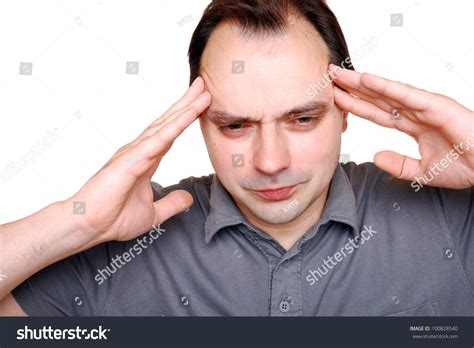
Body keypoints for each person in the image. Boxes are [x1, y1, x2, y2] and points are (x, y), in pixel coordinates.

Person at [0, 0, 472, 316]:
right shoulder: (117, 244)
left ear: (345, 110)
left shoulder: (451, 212)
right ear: (198, 121)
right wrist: (74, 224)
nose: (270, 162)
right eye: (235, 126)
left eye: (302, 119)